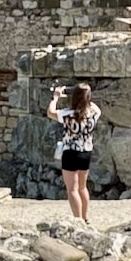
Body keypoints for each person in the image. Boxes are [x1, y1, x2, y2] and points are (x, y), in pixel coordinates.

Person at [45, 82, 100, 222]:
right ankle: (86, 217)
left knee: (72, 189)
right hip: (86, 152)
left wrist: (56, 97)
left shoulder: (68, 114)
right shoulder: (94, 113)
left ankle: (78, 220)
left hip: (71, 153)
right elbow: (90, 105)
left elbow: (50, 112)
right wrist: (84, 94)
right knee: (82, 187)